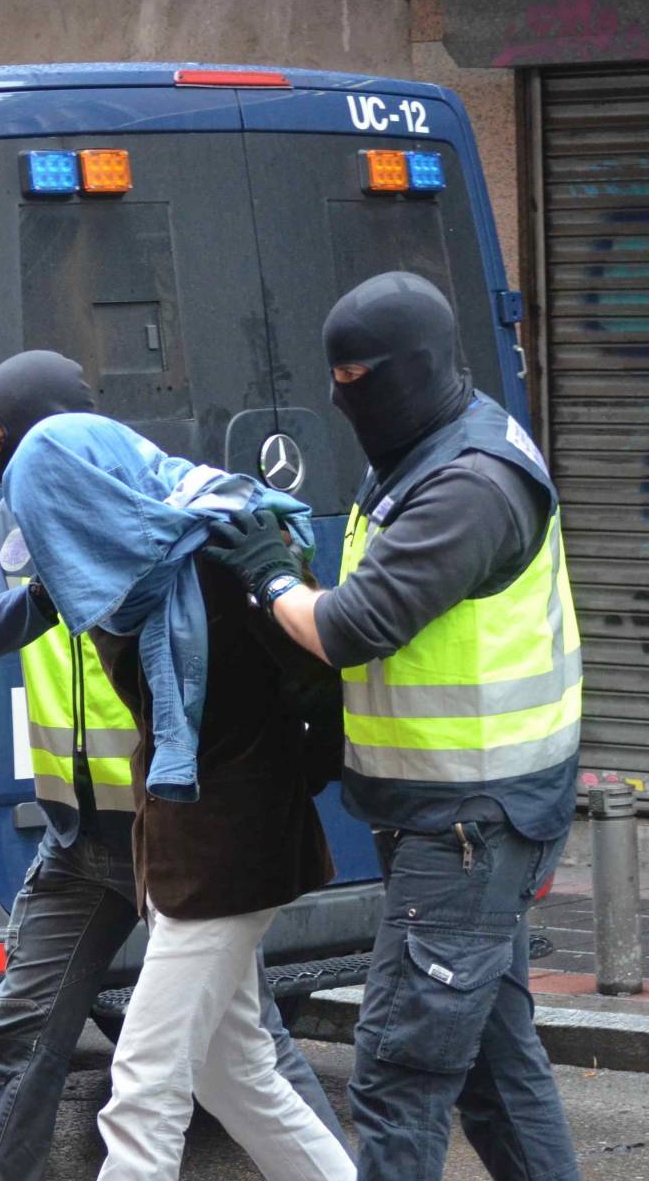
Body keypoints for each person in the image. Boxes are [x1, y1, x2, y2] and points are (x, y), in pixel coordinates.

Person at [203, 272, 582, 1181]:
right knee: (495, 1071)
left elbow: (351, 626)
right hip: (463, 813)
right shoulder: (421, 446)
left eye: (361, 378)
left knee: (397, 1080)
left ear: (415, 369)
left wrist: (269, 576)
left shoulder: (470, 484)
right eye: (336, 379)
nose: (346, 399)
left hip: (471, 822)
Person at [0, 352, 344, 1181]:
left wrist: (275, 578)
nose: (4, 485)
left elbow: (310, 678)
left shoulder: (209, 546)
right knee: (236, 1072)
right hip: (159, 842)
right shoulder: (120, 559)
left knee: (143, 1088)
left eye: (4, 452)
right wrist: (51, 587)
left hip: (220, 848)